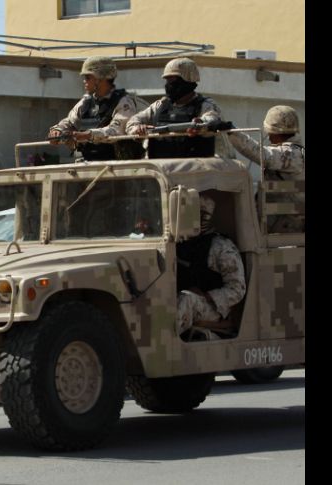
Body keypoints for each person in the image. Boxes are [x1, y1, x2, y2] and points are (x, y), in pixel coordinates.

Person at [48, 56, 148, 160]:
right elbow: (69, 122)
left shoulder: (124, 102)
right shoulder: (86, 102)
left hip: (118, 165)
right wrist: (58, 131)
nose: (84, 81)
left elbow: (115, 131)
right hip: (89, 162)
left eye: (88, 77)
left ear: (100, 78)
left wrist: (88, 135)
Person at [176, 193, 246, 340]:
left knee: (187, 299)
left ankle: (165, 341)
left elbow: (237, 288)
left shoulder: (221, 246)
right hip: (183, 300)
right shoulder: (180, 244)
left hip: (211, 308)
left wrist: (206, 296)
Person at [228, 105, 305, 233]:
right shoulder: (294, 152)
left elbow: (261, 154)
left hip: (286, 226)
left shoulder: (292, 154)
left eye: (269, 132)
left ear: (273, 131)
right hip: (282, 222)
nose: (268, 136)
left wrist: (231, 131)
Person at [126, 57, 222, 158]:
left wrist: (200, 124)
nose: (168, 86)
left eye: (173, 81)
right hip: (160, 168)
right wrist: (138, 129)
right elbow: (132, 122)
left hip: (193, 169)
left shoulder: (205, 105)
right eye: (167, 81)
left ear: (188, 82)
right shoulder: (159, 106)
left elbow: (212, 119)